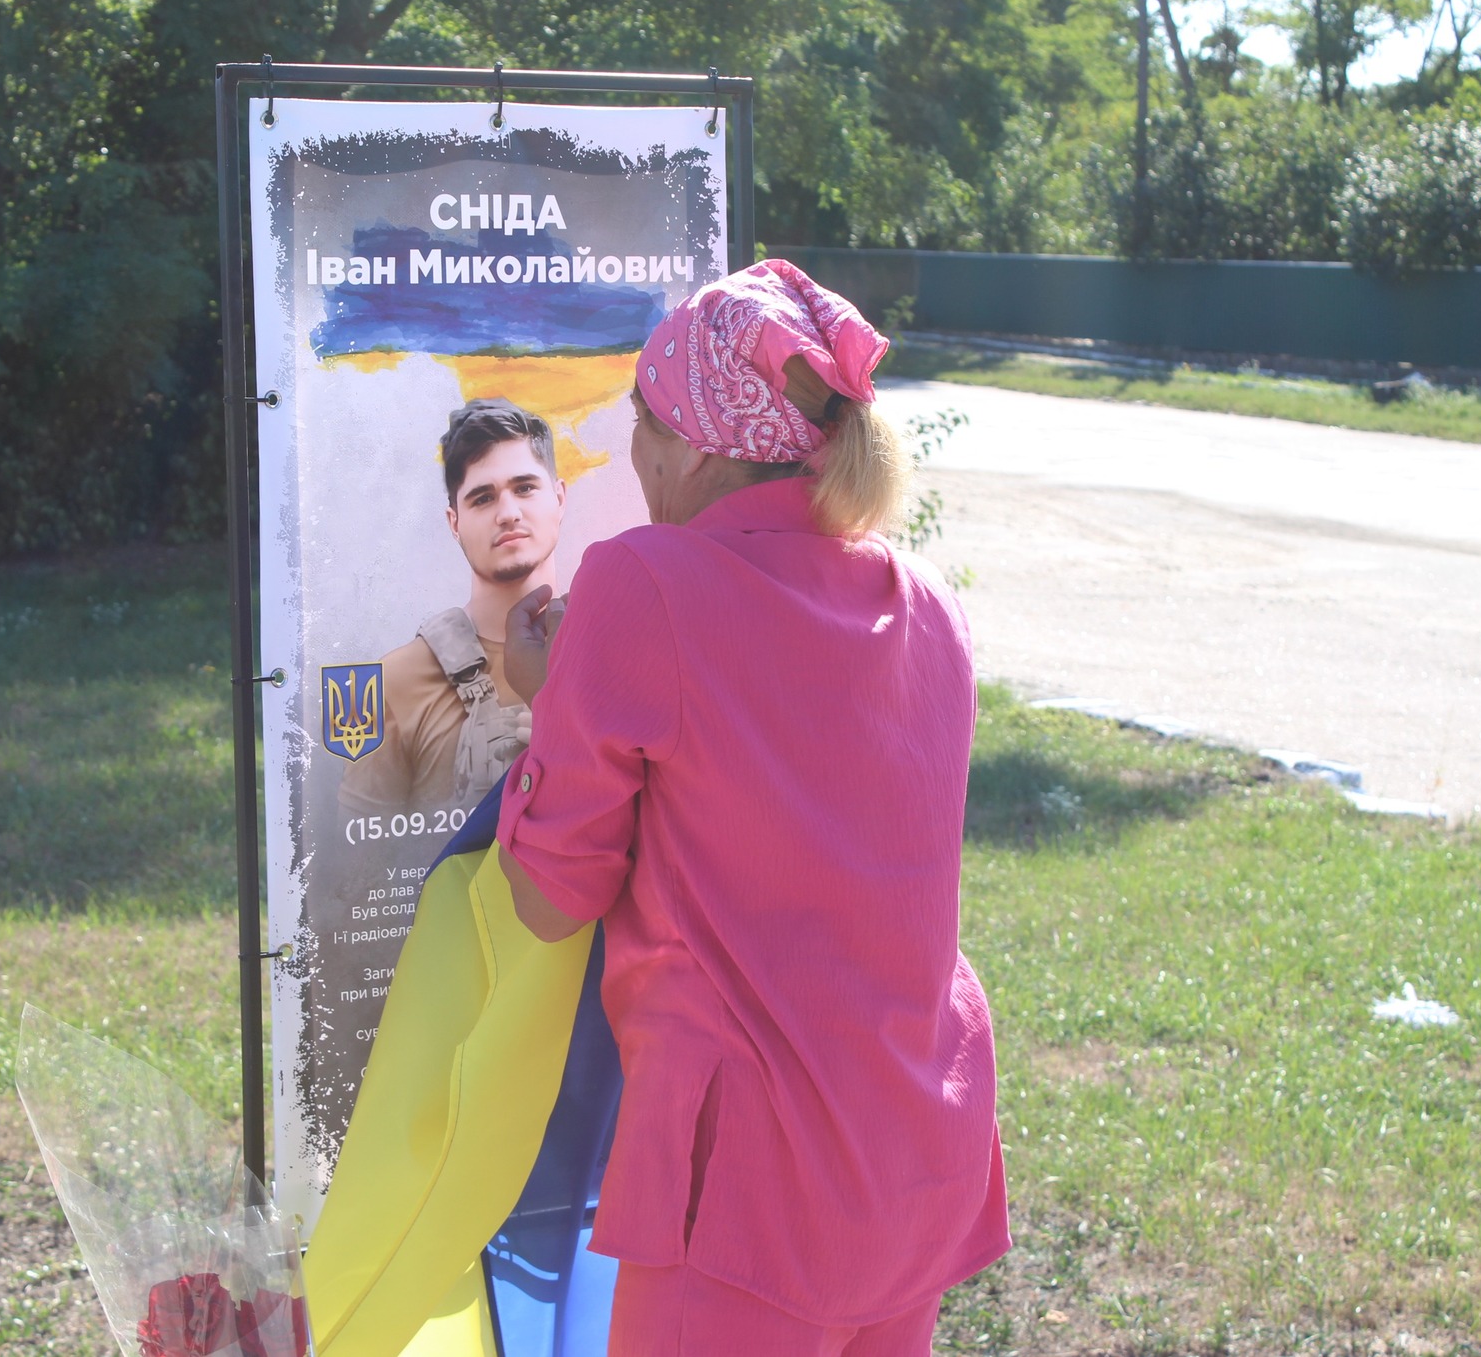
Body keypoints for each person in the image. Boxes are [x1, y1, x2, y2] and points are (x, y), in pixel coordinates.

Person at [494, 261, 1008, 1356]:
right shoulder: (927, 603)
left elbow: (550, 898)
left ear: (691, 448)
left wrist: (552, 700)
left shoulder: (643, 584)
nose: (634, 456)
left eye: (641, 423)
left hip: (752, 1191)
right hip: (917, 1151)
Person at [338, 399, 568, 817]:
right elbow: (360, 848)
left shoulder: (613, 654)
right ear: (454, 522)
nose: (508, 513)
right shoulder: (391, 682)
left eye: (524, 488)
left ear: (559, 497)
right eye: (483, 498)